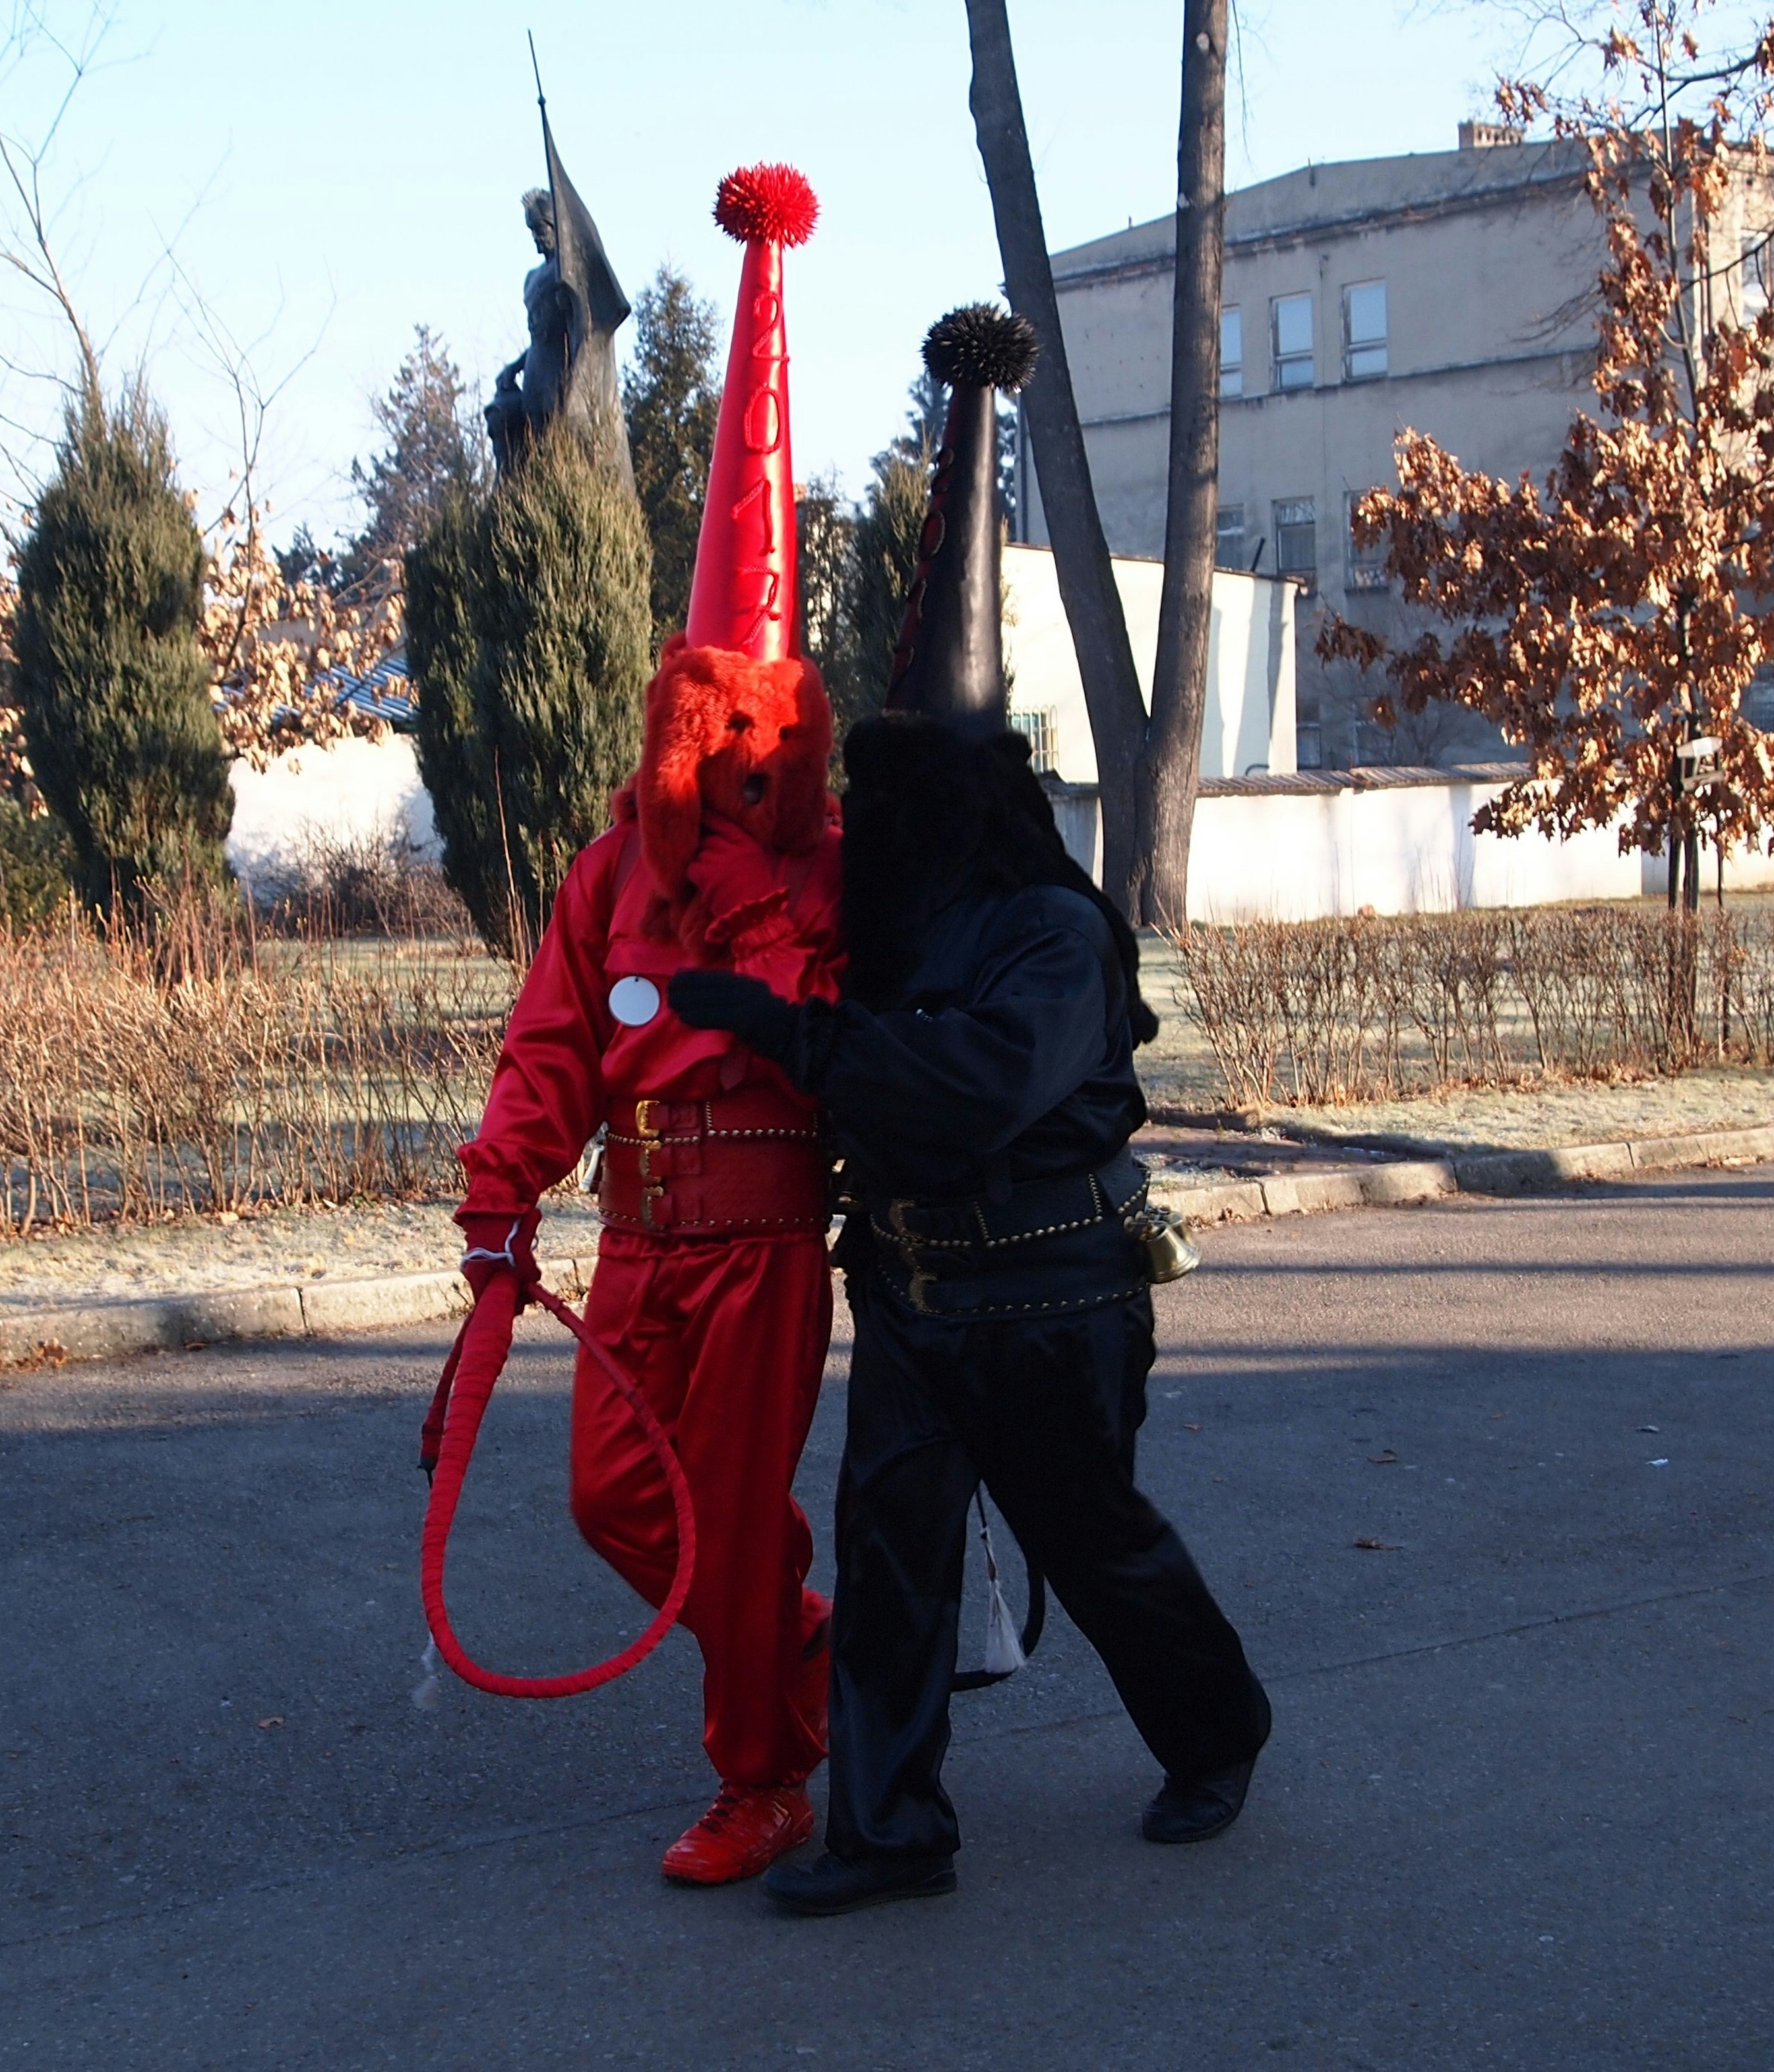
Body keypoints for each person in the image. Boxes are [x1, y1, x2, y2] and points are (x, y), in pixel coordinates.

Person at [669, 304, 1273, 1918]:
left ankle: (1215, 1733)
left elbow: (971, 1086)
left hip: (1057, 1294)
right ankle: (887, 1833)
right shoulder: (900, 928)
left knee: (1097, 1539)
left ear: (978, 809)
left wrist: (787, 1035)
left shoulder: (1054, 933)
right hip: (921, 1294)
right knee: (889, 1559)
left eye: (910, 807)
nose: (883, 835)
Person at [455, 164, 839, 1887]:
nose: (734, 759)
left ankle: (763, 1770)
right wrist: (503, 1189)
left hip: (765, 1236)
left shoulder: (833, 873)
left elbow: (855, 1038)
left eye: (763, 735)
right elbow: (553, 1040)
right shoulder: (612, 865)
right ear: (675, 718)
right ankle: (802, 1636)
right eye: (713, 730)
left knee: (730, 1520)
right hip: (639, 1233)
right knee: (619, 1497)